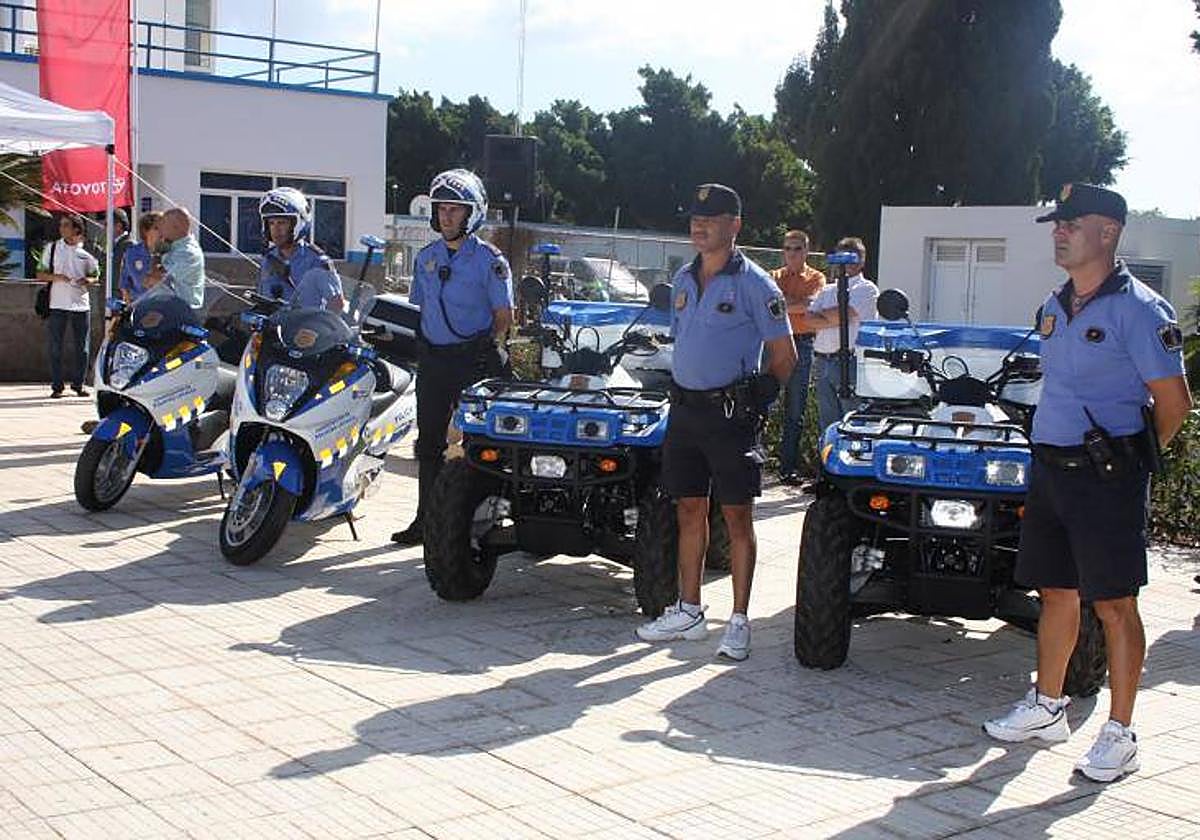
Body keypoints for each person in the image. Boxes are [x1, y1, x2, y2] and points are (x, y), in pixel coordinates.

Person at [983, 184, 1193, 782]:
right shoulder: (1054, 305)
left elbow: (1174, 402)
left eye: (1072, 222)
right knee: (1054, 591)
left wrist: (1133, 458)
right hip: (1051, 470)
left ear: (1108, 232)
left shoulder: (1142, 311)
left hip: (1106, 479)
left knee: (1116, 604)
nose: (1059, 230)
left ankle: (1121, 734)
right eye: (1057, 222)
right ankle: (1048, 705)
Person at [635, 183, 796, 661]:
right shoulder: (683, 279)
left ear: (735, 225)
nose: (698, 226)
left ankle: (740, 620)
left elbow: (784, 356)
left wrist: (761, 395)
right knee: (688, 510)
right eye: (694, 219)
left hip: (730, 416)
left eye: (711, 218)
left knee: (737, 517)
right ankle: (689, 610)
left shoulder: (756, 284)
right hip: (684, 412)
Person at [391, 168, 513, 547]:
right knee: (428, 444)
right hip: (435, 363)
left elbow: (504, 317)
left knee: (479, 443)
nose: (446, 216)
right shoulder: (426, 257)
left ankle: (477, 522)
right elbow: (422, 308)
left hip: (473, 363)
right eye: (441, 208)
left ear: (472, 213)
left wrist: (486, 351)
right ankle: (424, 521)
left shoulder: (490, 261)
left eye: (455, 209)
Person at [807, 236, 878, 437]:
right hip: (823, 361)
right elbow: (809, 319)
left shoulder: (867, 289)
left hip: (849, 361)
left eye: (851, 259)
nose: (846, 264)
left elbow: (847, 314)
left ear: (861, 261)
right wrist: (835, 316)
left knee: (852, 420)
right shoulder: (828, 289)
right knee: (827, 423)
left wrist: (830, 316)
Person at [771, 229, 826, 484]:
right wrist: (793, 303)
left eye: (797, 248)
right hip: (773, 344)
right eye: (788, 248)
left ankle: (787, 468)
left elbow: (809, 306)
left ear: (806, 251)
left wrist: (784, 303)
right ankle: (756, 463)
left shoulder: (817, 277)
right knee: (763, 404)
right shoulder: (773, 276)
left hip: (802, 345)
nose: (792, 253)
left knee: (796, 410)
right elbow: (766, 305)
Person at [38, 214, 100, 398]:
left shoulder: (88, 250)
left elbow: (95, 274)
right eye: (61, 225)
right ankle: (57, 386)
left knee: (82, 347)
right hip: (57, 304)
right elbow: (40, 273)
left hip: (81, 304)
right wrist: (57, 277)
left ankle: (78, 384)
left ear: (76, 229)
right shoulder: (52, 248)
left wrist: (87, 280)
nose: (61, 228)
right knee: (55, 346)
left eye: (66, 225)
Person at [257, 187, 344, 311]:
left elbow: (336, 305)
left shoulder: (317, 261)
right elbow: (262, 299)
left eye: (282, 223)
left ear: (298, 224)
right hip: (275, 328)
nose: (276, 229)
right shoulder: (268, 259)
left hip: (306, 328)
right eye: (271, 223)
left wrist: (313, 329)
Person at [150, 207, 206, 310]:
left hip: (182, 311)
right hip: (167, 308)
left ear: (176, 227)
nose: (160, 231)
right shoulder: (174, 246)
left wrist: (157, 254)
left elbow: (157, 277)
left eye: (163, 226)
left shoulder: (187, 252)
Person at [117, 211, 162, 303]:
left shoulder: (171, 252)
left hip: (163, 304)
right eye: (157, 228)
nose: (162, 232)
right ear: (146, 231)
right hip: (140, 305)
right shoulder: (132, 252)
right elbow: (124, 281)